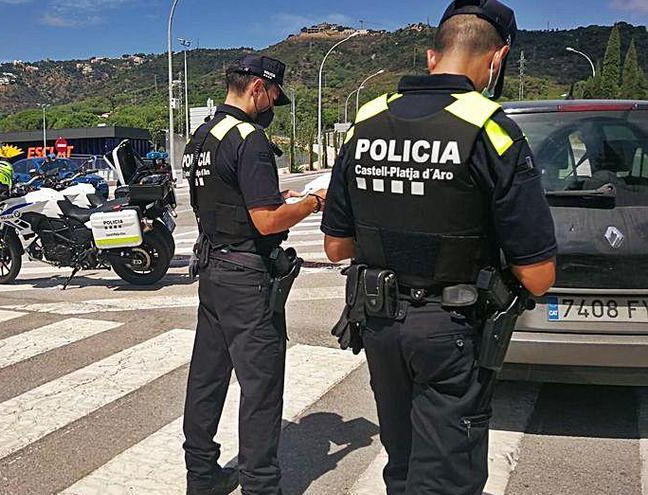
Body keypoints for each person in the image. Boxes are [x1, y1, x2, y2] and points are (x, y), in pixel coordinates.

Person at [321, 1, 558, 494]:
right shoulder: (492, 129)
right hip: (451, 330)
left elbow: (336, 246)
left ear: (432, 57)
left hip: (380, 324)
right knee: (448, 475)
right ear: (498, 58)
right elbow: (538, 277)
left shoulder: (366, 120)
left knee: (403, 465)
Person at [181, 54, 327, 495]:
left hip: (212, 269)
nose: (271, 107)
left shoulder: (202, 136)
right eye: (273, 97)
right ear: (258, 89)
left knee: (207, 376)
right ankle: (261, 485)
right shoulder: (251, 139)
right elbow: (266, 222)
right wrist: (311, 202)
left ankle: (201, 475)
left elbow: (223, 199)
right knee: (261, 387)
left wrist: (276, 196)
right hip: (247, 278)